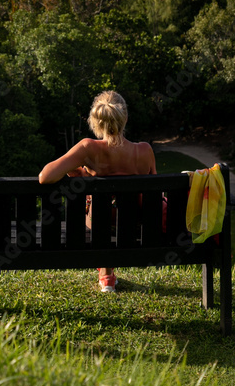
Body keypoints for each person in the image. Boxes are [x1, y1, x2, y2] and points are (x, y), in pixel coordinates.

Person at [38, 90, 156, 292]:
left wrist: (80, 172)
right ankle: (107, 274)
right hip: (134, 222)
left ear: (96, 121)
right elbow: (153, 193)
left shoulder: (87, 148)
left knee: (98, 213)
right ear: (124, 118)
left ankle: (106, 274)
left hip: (99, 222)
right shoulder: (144, 150)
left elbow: (45, 176)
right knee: (117, 211)